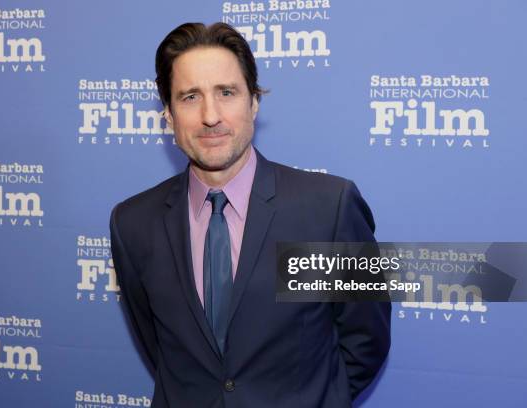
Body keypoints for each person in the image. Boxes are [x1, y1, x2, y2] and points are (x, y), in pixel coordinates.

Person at [110, 22, 391, 408]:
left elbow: (365, 343)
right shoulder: (133, 224)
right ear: (169, 115)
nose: (211, 116)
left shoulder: (327, 209)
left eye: (227, 92)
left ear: (254, 102)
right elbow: (157, 347)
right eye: (190, 97)